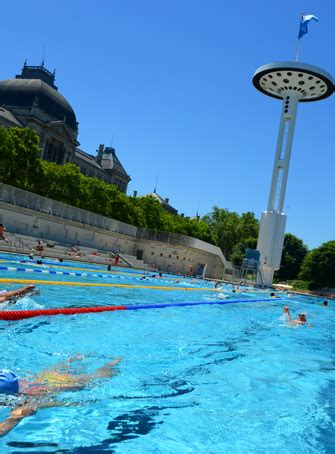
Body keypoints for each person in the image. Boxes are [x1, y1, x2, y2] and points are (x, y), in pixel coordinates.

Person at [0, 356, 121, 437]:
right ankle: (74, 359)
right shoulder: (17, 385)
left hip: (64, 384)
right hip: (46, 376)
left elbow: (7, 425)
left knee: (100, 377)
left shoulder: (26, 403)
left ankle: (115, 361)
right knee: (64, 367)